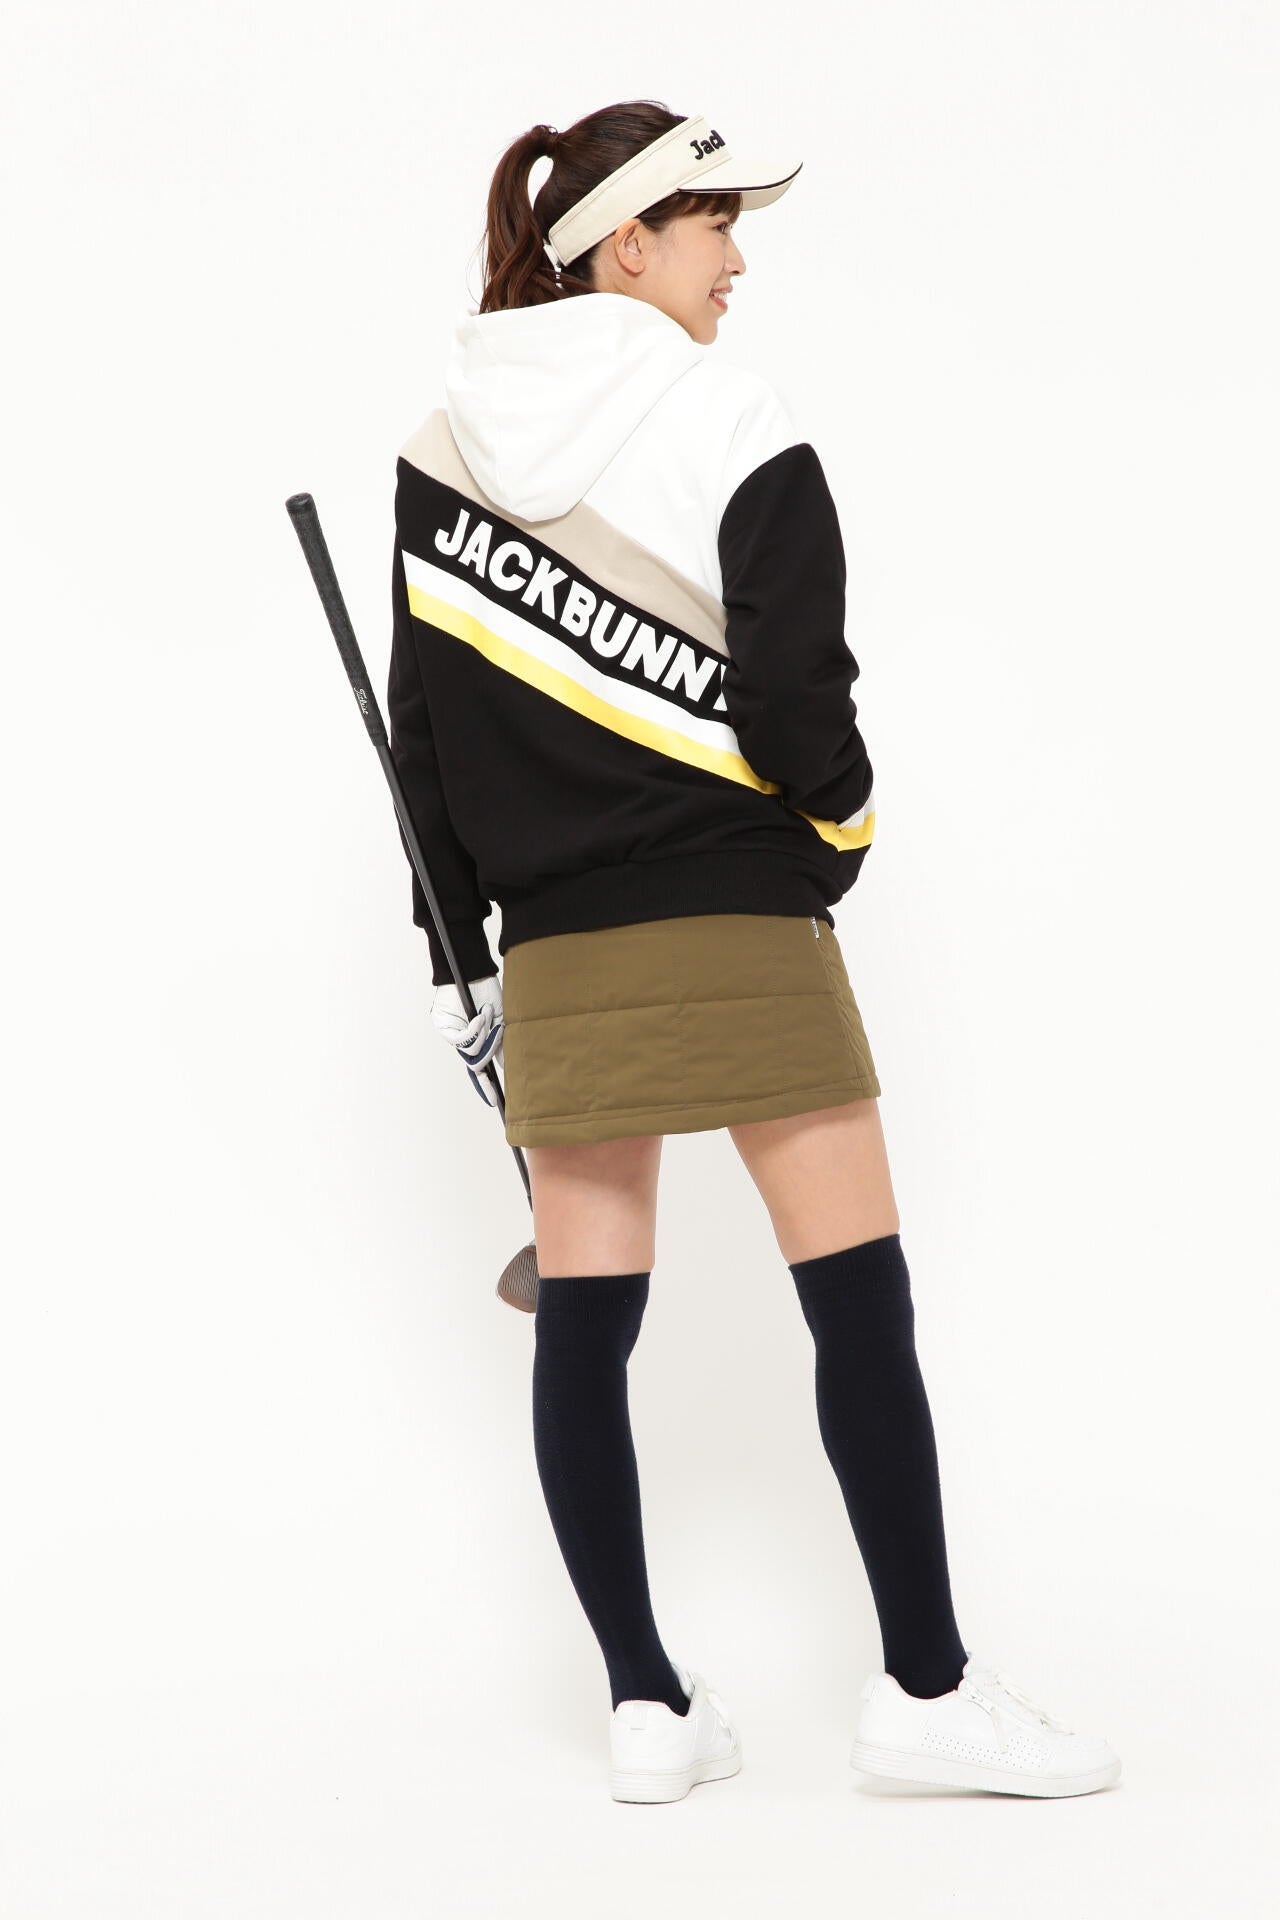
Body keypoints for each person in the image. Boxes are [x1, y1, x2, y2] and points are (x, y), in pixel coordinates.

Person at [386, 99, 1121, 1805]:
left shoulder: (440, 450)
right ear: (627, 244)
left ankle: (645, 1709)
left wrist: (461, 955)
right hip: (739, 914)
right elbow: (800, 705)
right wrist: (838, 830)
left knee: (585, 1327)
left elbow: (428, 740)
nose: (739, 259)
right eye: (715, 223)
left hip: (558, 951)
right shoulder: (729, 416)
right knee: (857, 1305)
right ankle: (926, 1694)